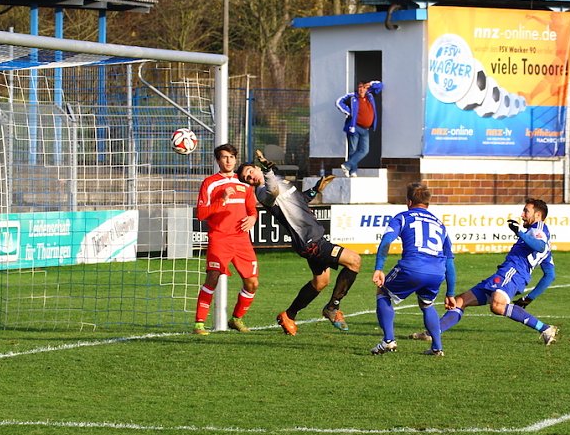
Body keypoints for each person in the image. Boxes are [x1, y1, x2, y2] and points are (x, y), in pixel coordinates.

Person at [236, 150, 360, 334]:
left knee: (321, 281)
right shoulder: (262, 193)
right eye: (247, 179)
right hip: (310, 241)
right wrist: (267, 169)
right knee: (354, 260)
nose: (250, 178)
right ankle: (332, 308)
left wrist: (315, 189)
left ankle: (289, 315)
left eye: (249, 172)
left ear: (255, 168)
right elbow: (273, 191)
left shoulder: (279, 179)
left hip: (312, 238)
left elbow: (299, 200)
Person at [411, 198, 558, 346]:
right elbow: (550, 275)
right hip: (505, 273)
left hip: (514, 272)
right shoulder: (542, 240)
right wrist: (529, 298)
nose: (522, 214)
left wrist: (519, 232)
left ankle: (545, 329)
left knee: (497, 306)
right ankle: (433, 333)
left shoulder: (538, 227)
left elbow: (539, 246)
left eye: (526, 211)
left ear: (538, 215)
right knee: (460, 301)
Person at [371, 182, 456, 356]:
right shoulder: (440, 225)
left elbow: (386, 241)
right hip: (437, 272)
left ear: (409, 201)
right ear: (428, 203)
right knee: (426, 303)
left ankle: (388, 340)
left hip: (413, 267)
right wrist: (450, 293)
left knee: (383, 291)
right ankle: (437, 348)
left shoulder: (402, 217)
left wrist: (379, 267)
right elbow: (449, 261)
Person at [194, 143, 258, 336]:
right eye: (224, 157)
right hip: (219, 238)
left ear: (235, 159)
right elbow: (201, 214)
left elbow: (252, 210)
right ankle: (199, 324)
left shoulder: (245, 183)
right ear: (218, 160)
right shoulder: (210, 183)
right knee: (212, 278)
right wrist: (220, 199)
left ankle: (236, 318)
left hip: (241, 240)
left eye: (231, 157)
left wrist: (253, 218)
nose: (228, 160)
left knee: (252, 282)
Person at [335, 79, 383, 177]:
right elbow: (338, 102)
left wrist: (370, 84)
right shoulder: (352, 97)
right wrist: (349, 112)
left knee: (364, 150)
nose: (361, 89)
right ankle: (352, 171)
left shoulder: (370, 96)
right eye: (360, 87)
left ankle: (347, 165)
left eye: (364, 87)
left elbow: (380, 86)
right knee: (352, 150)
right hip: (355, 127)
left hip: (365, 129)